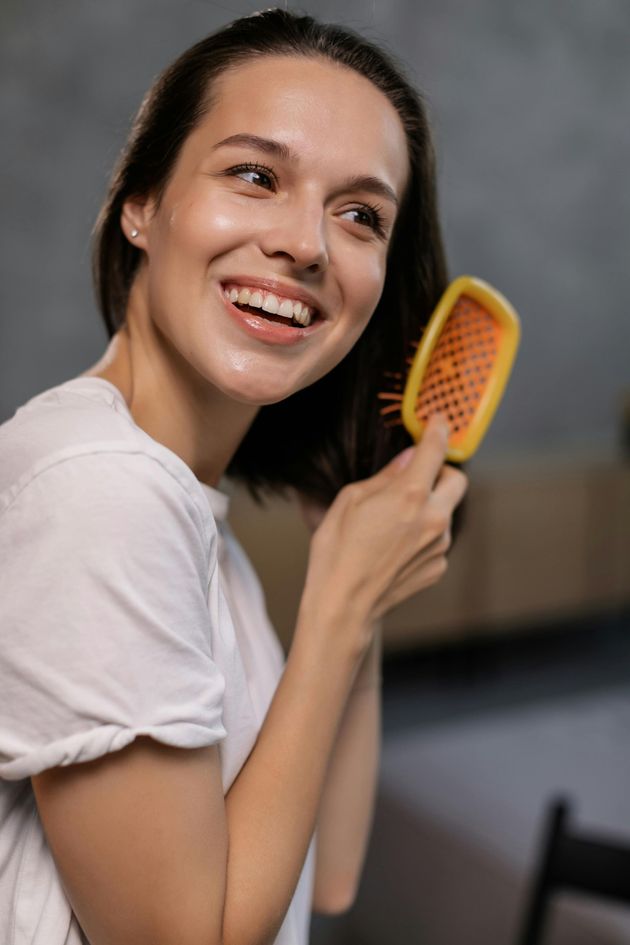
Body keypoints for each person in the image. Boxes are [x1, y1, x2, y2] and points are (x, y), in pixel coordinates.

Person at [0, 8, 468, 945]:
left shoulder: (182, 508)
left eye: (361, 214)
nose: (307, 243)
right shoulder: (104, 491)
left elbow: (325, 874)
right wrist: (336, 603)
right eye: (256, 175)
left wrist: (359, 593)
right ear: (141, 203)